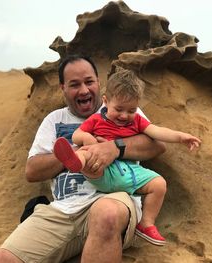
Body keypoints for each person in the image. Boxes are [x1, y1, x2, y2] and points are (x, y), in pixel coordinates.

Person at [0, 55, 166, 263]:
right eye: (74, 85)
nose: (83, 90)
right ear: (63, 88)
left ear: (99, 84)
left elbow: (156, 145)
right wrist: (75, 152)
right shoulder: (54, 120)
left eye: (89, 82)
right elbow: (32, 171)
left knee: (106, 214)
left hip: (112, 199)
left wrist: (114, 148)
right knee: (3, 259)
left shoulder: (121, 110)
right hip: (64, 210)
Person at [53, 67, 201, 246]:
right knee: (86, 152)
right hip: (103, 171)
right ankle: (75, 162)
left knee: (159, 184)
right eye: (119, 109)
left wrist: (180, 137)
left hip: (130, 173)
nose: (125, 115)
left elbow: (157, 132)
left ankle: (146, 224)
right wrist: (89, 140)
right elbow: (77, 135)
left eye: (131, 110)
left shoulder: (137, 120)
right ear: (106, 101)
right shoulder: (96, 120)